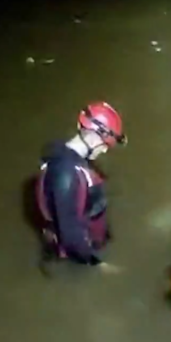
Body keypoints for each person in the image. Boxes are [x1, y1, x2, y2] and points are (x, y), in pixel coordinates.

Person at [35, 101, 127, 275]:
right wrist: (98, 265)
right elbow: (71, 236)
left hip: (91, 235)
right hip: (81, 252)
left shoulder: (63, 154)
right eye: (105, 145)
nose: (105, 151)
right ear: (94, 138)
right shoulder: (67, 176)